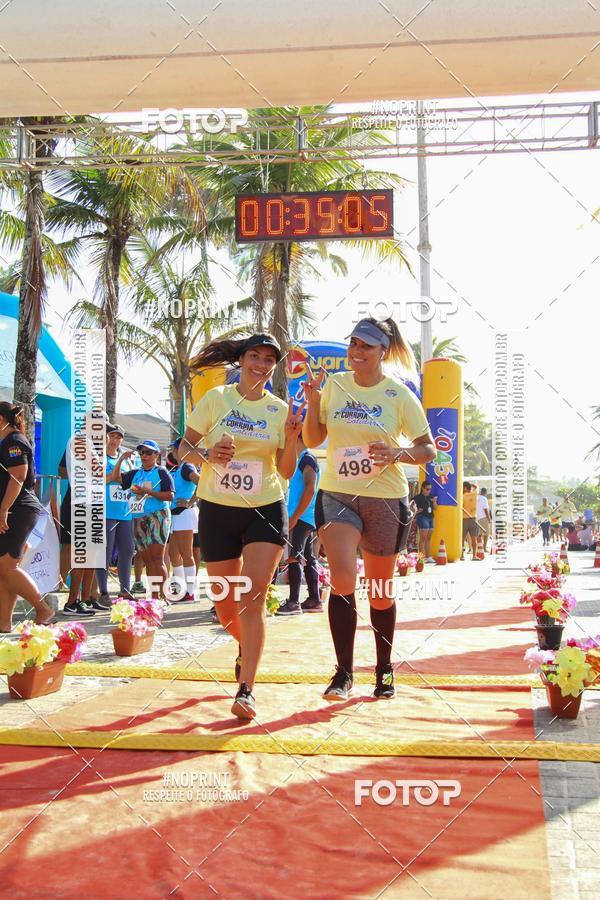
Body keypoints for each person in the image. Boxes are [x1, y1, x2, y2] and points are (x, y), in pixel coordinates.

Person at [303, 317, 435, 701]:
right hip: (338, 493)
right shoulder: (335, 385)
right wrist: (313, 404)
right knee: (342, 578)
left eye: (366, 346)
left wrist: (397, 453)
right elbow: (314, 438)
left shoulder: (399, 394)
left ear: (382, 352)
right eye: (354, 344)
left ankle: (383, 668)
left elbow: (428, 448)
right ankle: (343, 674)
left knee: (379, 590)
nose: (357, 352)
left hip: (385, 498)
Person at [180, 333, 303, 720]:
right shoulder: (216, 399)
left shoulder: (279, 409)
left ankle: (246, 690)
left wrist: (293, 439)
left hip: (264, 509)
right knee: (225, 608)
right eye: (255, 356)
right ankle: (246, 648)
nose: (261, 364)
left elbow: (285, 470)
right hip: (217, 509)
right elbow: (182, 449)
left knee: (252, 599)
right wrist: (207, 454)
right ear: (243, 359)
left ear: (274, 366)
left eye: (269, 359)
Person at [0, 402, 54, 632]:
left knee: (7, 567)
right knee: (3, 568)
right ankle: (4, 624)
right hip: (13, 509)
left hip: (18, 509)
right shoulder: (7, 441)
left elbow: (18, 477)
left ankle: (43, 609)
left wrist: (3, 510)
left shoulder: (14, 442)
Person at [109, 440, 174, 599]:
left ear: (156, 455)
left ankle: (164, 597)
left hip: (157, 515)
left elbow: (170, 495)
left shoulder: (161, 472)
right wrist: (121, 459)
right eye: (142, 452)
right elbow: (116, 478)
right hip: (138, 517)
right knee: (147, 559)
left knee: (157, 558)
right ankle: (153, 597)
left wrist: (147, 491)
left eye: (148, 452)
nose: (144, 455)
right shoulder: (135, 473)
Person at [59, 415, 107, 616]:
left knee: (92, 554)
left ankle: (86, 598)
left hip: (91, 502)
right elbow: (98, 471)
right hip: (81, 503)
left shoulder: (89, 442)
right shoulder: (80, 440)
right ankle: (72, 602)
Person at [276, 435, 321, 615]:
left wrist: (295, 516)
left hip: (301, 516)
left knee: (293, 557)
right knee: (308, 557)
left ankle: (294, 602)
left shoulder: (307, 458)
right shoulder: (302, 459)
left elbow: (310, 488)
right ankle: (314, 599)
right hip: (305, 516)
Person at [96, 424, 135, 603]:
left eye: (118, 437)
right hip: (107, 512)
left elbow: (128, 481)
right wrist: (116, 474)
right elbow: (106, 480)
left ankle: (125, 590)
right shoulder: (100, 457)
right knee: (104, 552)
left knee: (127, 552)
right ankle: (103, 592)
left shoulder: (128, 459)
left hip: (125, 512)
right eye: (112, 436)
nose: (115, 440)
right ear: (106, 438)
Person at [167, 438, 200, 603]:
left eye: (177, 448)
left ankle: (191, 592)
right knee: (174, 554)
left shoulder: (187, 466)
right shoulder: (178, 468)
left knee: (187, 553)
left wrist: (189, 502)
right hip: (175, 514)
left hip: (185, 514)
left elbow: (201, 482)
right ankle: (180, 590)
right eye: (175, 448)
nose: (175, 451)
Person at [413, 480, 436, 562]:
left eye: (430, 489)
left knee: (428, 538)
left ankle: (428, 557)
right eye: (427, 489)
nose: (429, 491)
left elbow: (435, 508)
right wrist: (417, 511)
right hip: (422, 517)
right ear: (422, 488)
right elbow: (411, 509)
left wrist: (434, 502)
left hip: (431, 517)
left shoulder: (431, 496)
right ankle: (421, 558)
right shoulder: (417, 498)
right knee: (423, 538)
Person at [461, 481, 478, 559]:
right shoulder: (475, 494)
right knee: (474, 538)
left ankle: (462, 556)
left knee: (462, 539)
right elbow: (476, 486)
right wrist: (470, 485)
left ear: (464, 488)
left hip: (464, 519)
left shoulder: (462, 496)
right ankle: (474, 556)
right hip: (473, 518)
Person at [477, 487, 492, 552]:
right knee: (486, 533)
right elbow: (485, 509)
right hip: (483, 517)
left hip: (477, 517)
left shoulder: (477, 497)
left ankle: (479, 547)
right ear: (485, 493)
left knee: (479, 533)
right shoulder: (484, 499)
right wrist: (489, 519)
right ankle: (484, 547)